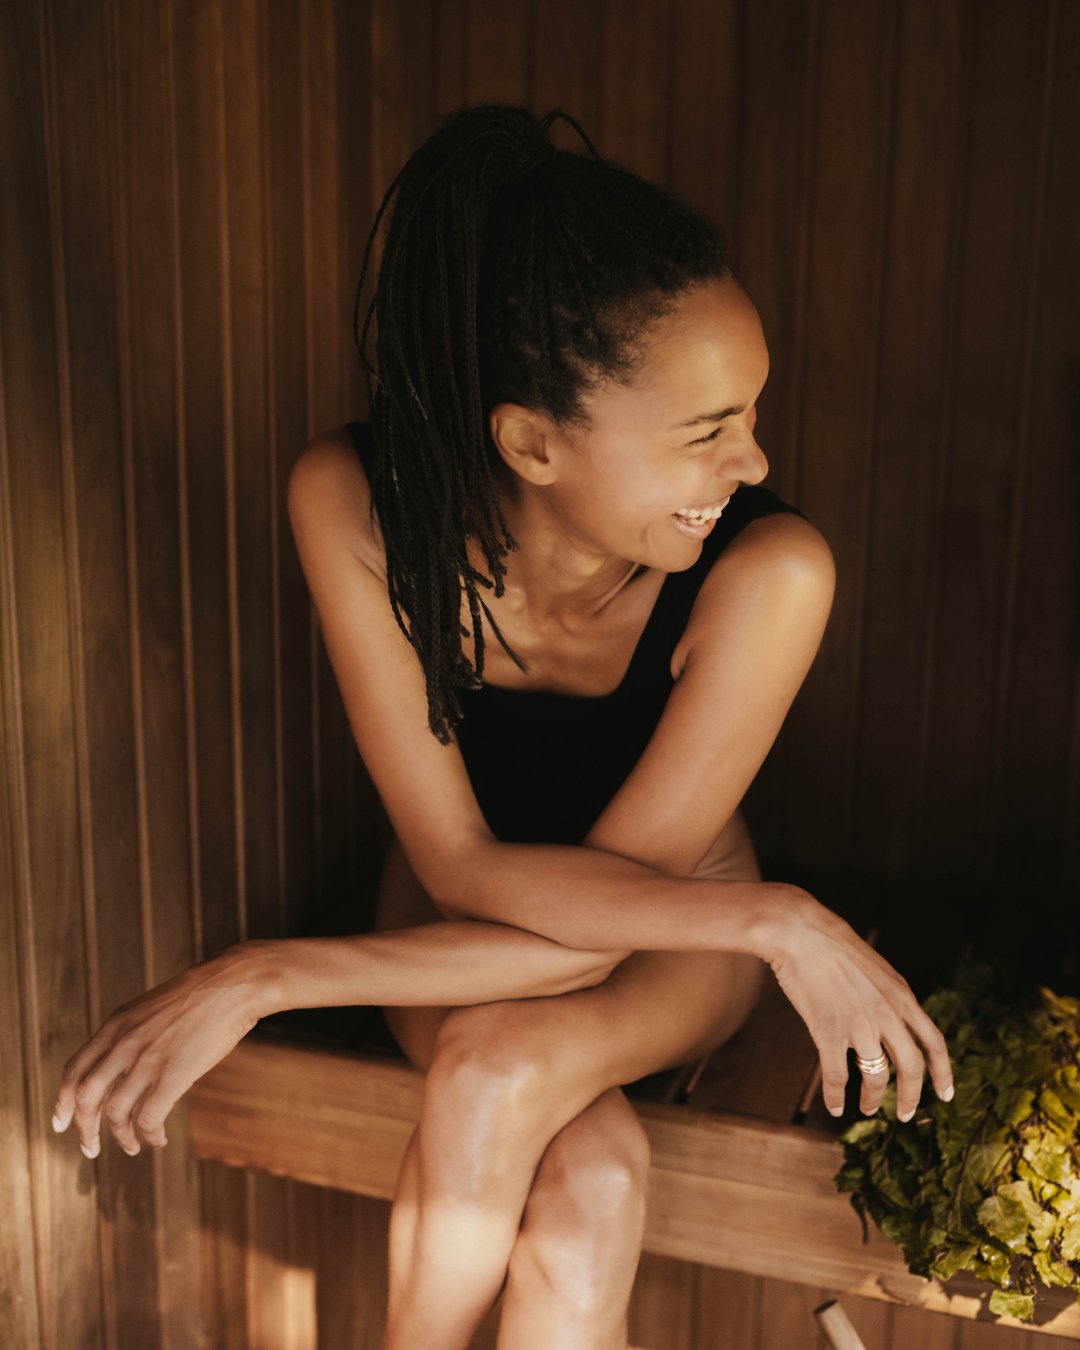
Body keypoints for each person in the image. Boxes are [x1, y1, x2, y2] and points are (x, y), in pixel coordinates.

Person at [53, 106, 953, 1350]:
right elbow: (461, 866)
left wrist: (268, 975)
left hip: (674, 926)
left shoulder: (772, 573)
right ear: (531, 441)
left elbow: (600, 936)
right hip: (459, 908)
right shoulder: (354, 503)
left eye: (750, 414)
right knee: (588, 1190)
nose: (752, 465)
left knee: (493, 1070)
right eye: (707, 433)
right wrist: (781, 920)